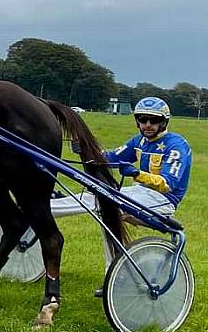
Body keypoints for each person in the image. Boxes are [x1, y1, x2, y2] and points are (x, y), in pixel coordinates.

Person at [51, 97, 192, 272]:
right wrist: (86, 149)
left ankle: (113, 271)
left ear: (164, 122)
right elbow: (109, 158)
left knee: (106, 205)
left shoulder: (176, 145)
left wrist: (137, 174)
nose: (147, 125)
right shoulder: (139, 141)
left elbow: (167, 184)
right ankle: (44, 208)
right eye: (142, 119)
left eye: (153, 120)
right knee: (97, 195)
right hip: (140, 192)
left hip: (163, 199)